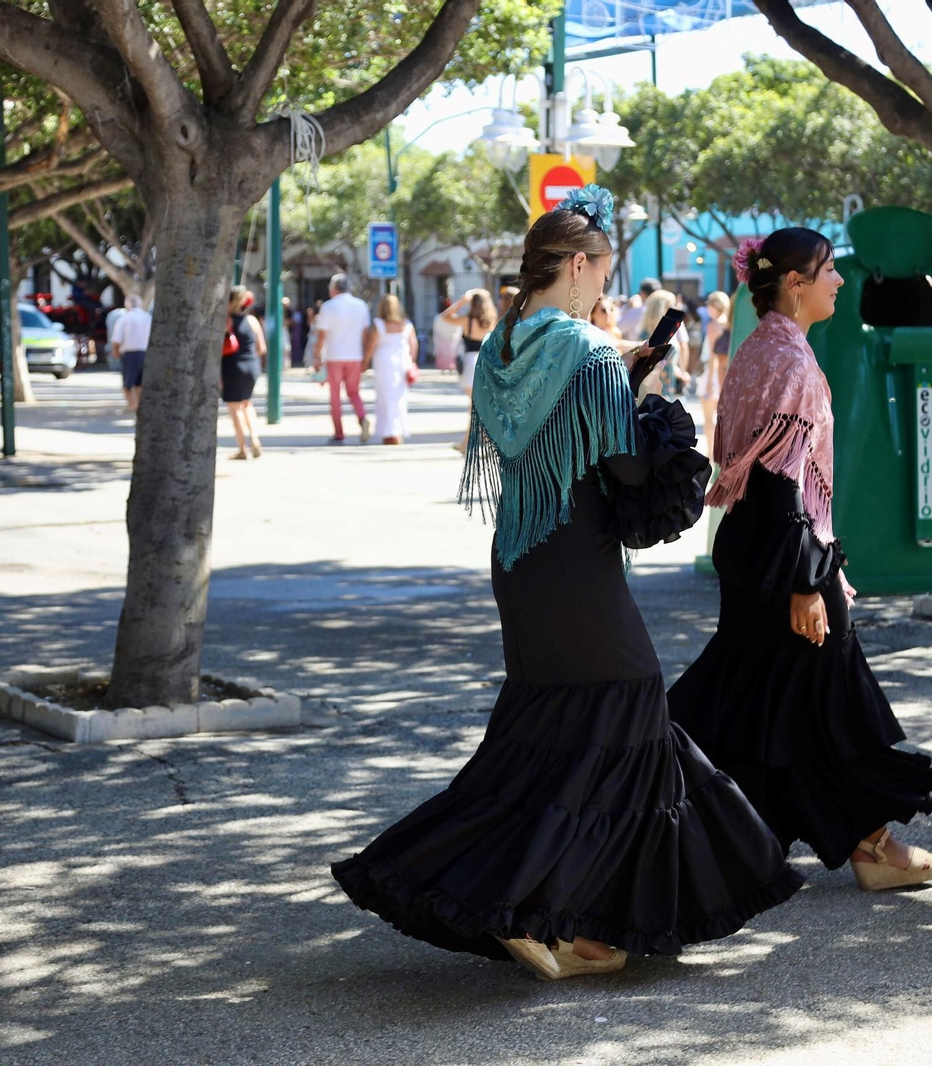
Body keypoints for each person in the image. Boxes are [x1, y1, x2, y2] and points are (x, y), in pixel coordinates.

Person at [332, 184, 802, 982]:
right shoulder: (585, 353)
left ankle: (569, 925)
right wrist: (644, 393)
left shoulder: (507, 347)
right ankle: (532, 907)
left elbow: (543, 437)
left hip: (521, 555)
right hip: (577, 559)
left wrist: (614, 380)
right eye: (604, 276)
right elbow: (625, 465)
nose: (607, 292)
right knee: (627, 706)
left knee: (555, 730)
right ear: (578, 267)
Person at [669, 229, 932, 895]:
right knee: (819, 703)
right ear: (793, 282)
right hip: (784, 557)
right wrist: (804, 583)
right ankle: (864, 844)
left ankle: (842, 841)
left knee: (767, 705)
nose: (839, 281)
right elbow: (780, 482)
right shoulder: (789, 363)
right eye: (827, 271)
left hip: (755, 548)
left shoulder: (759, 349)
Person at [311, 274, 372, 443]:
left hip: (334, 356)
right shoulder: (361, 306)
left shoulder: (328, 307)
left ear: (332, 289)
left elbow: (321, 335)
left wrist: (317, 357)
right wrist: (366, 358)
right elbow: (365, 334)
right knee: (354, 392)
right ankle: (362, 417)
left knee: (335, 396)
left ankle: (339, 433)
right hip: (355, 356)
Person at [439, 290, 497, 453]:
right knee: (479, 406)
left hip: (471, 363)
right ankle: (469, 443)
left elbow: (445, 317)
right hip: (487, 362)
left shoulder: (467, 321)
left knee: (475, 406)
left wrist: (462, 301)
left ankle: (474, 443)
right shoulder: (491, 320)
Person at [364, 294, 418, 445]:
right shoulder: (407, 324)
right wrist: (412, 362)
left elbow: (371, 345)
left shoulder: (378, 324)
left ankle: (388, 432)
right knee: (399, 397)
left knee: (384, 397)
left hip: (383, 362)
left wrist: (365, 362)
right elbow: (413, 345)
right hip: (402, 362)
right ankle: (397, 430)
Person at [221, 287, 266, 460]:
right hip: (252, 367)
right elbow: (262, 349)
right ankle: (255, 439)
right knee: (247, 404)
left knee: (235, 409)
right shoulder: (252, 320)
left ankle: (242, 449)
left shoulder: (226, 321)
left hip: (232, 366)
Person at [634, 290, 690, 399]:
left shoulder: (669, 331)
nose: (675, 308)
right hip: (654, 392)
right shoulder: (647, 335)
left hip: (668, 388)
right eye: (671, 305)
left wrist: (679, 371)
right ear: (660, 308)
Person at [698, 290, 732, 461]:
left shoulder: (713, 325)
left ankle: (711, 453)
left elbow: (712, 355)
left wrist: (710, 382)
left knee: (708, 418)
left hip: (712, 374)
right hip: (723, 374)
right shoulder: (728, 324)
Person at [111, 294, 153, 413]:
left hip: (129, 354)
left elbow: (117, 339)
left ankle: (133, 405)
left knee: (127, 383)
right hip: (145, 353)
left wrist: (115, 351)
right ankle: (139, 405)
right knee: (140, 383)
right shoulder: (147, 317)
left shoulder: (124, 318)